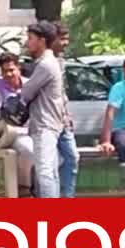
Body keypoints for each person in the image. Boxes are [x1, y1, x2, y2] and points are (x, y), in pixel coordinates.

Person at [16, 21, 65, 198]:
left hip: (45, 123)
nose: (27, 43)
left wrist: (23, 85)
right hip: (49, 122)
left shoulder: (46, 65)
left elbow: (27, 92)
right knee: (50, 171)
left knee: (44, 172)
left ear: (42, 41)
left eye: (30, 38)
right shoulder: (49, 63)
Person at [0, 53, 35, 197]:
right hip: (7, 131)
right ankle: (24, 187)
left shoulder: (30, 85)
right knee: (27, 149)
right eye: (5, 71)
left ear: (18, 68)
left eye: (12, 70)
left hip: (30, 129)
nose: (8, 74)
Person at [52, 23, 79, 197]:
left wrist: (66, 113)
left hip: (63, 121)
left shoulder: (60, 61)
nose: (66, 42)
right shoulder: (40, 62)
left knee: (73, 157)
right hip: (46, 121)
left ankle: (67, 196)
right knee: (49, 164)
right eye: (62, 38)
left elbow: (61, 92)